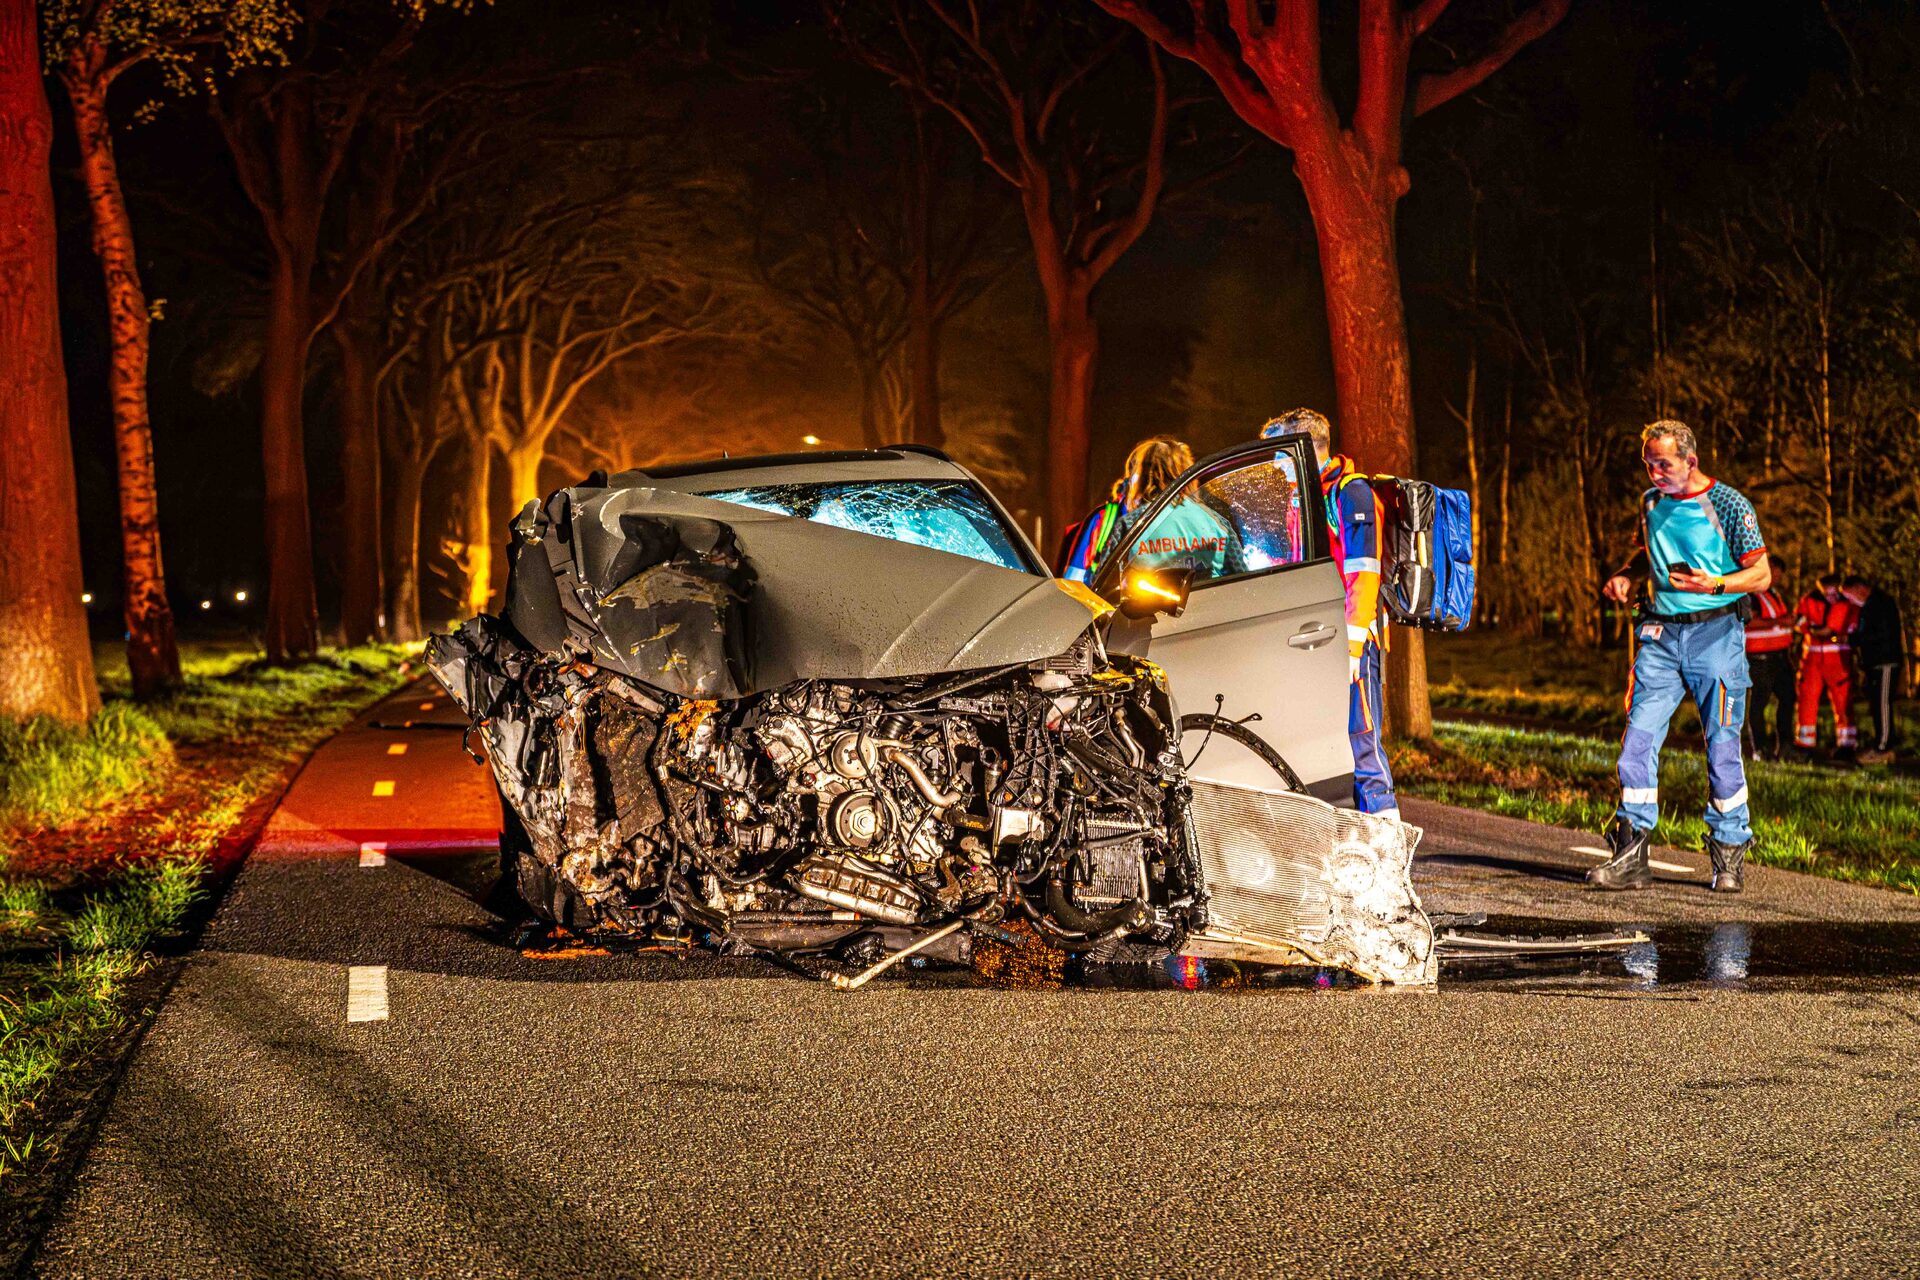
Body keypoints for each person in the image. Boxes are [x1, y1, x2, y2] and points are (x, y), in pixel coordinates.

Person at [1594, 419, 1770, 894]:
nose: (1654, 473)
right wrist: (1626, 577)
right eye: (1648, 464)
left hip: (1716, 637)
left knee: (1722, 748)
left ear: (1690, 461)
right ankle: (1631, 852)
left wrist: (1714, 584)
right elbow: (1644, 558)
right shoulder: (1650, 504)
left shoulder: (1729, 505)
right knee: (1637, 740)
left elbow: (1761, 576)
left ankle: (1729, 853)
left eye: (1664, 464)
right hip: (1660, 637)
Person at [1259, 408, 1397, 820]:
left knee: (1362, 740)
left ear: (1303, 447)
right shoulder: (1304, 496)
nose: (1274, 465)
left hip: (1351, 641)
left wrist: (1352, 651)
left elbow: (1364, 574)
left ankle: (1386, 842)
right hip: (1316, 636)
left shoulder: (1350, 493)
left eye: (1279, 454)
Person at [1058, 436, 1196, 582]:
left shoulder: (1127, 522)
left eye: (1137, 471)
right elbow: (1073, 582)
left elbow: (1100, 584)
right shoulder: (1104, 520)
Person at [1792, 572, 1858, 755]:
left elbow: (1846, 627)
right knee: (1806, 700)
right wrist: (1813, 629)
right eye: (1826, 593)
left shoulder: (1847, 603)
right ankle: (1805, 744)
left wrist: (1816, 630)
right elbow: (1798, 621)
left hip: (1838, 660)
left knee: (1842, 701)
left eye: (1833, 593)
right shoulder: (1810, 599)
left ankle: (1846, 745)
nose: (1830, 597)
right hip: (1811, 660)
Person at [1844, 574, 1905, 764]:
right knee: (1877, 704)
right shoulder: (1871, 605)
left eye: (1850, 595)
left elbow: (1877, 634)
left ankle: (1883, 747)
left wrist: (1855, 639)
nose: (1850, 600)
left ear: (1860, 588)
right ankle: (1881, 742)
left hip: (1885, 661)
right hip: (1876, 662)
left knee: (1882, 704)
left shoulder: (1880, 604)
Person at [1742, 571, 1797, 760]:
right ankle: (1761, 749)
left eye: (1780, 574)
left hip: (1780, 656)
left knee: (1788, 700)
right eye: (1774, 573)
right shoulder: (1750, 595)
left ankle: (1786, 746)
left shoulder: (1772, 594)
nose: (1777, 578)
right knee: (1759, 703)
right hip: (1759, 659)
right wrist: (1780, 621)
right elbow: (1748, 621)